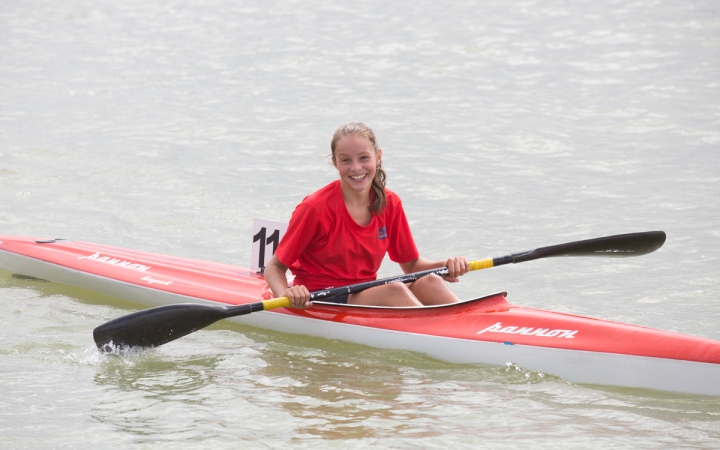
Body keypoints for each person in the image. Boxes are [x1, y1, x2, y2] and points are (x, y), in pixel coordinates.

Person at [264, 122, 469, 308]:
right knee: (395, 290)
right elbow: (274, 267)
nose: (356, 168)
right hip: (323, 296)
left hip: (365, 291)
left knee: (431, 280)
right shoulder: (314, 208)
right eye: (345, 160)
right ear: (335, 163)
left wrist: (445, 265)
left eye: (364, 158)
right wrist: (286, 295)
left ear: (378, 157)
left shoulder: (391, 203)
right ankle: (440, 337)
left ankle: (476, 325)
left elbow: (412, 265)